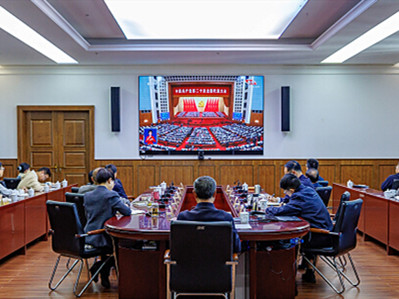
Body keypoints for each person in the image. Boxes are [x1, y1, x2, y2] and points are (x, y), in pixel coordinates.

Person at [266, 174, 333, 283]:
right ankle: (308, 270)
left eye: (285, 191)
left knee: (289, 241)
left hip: (319, 236)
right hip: (328, 232)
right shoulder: (307, 190)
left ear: (291, 190)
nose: (285, 194)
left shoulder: (299, 197)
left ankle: (289, 275)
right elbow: (292, 206)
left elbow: (282, 211)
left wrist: (268, 209)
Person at [84, 168, 131, 288]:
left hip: (88, 235)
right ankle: (98, 267)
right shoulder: (110, 195)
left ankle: (103, 272)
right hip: (103, 236)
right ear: (110, 180)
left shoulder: (87, 195)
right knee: (128, 246)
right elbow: (126, 211)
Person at [177, 176, 241, 253]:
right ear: (215, 193)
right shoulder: (226, 218)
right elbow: (236, 247)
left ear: (194, 194)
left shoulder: (183, 217)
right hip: (219, 264)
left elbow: (177, 247)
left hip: (188, 264)